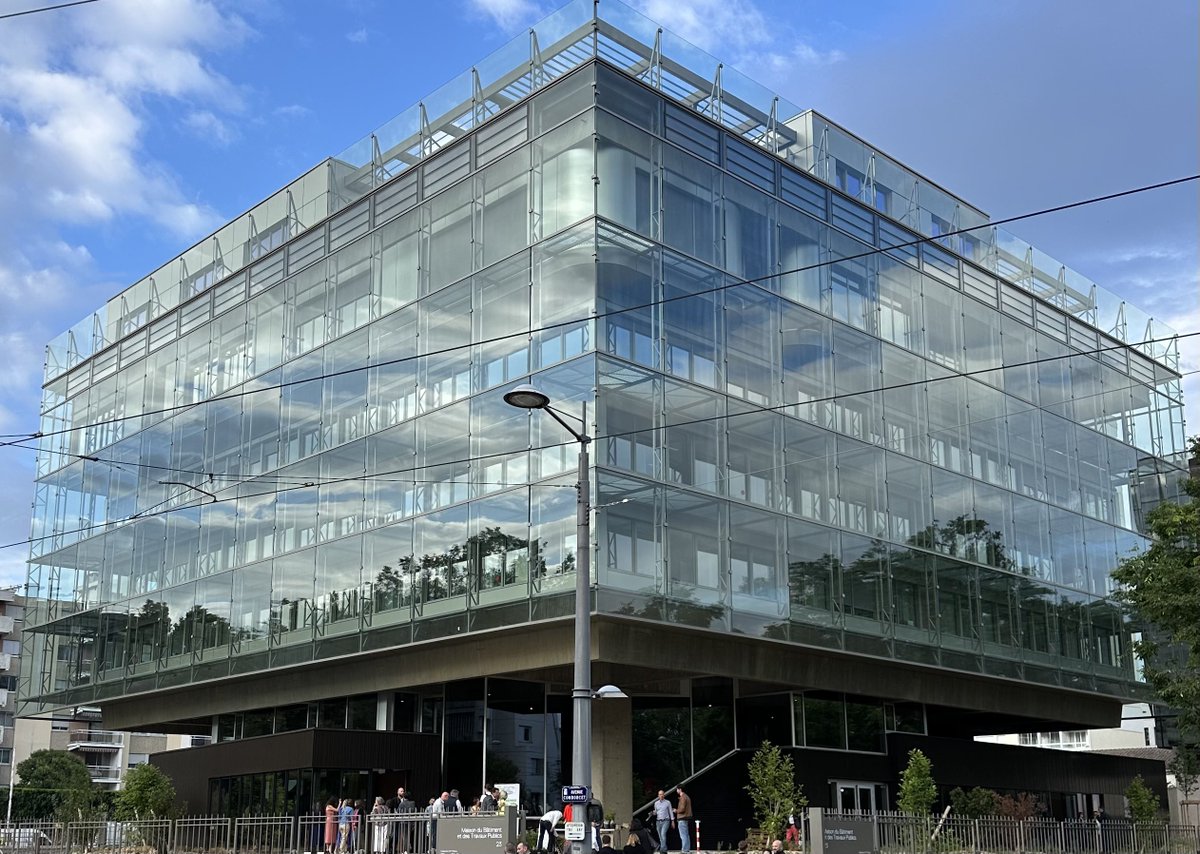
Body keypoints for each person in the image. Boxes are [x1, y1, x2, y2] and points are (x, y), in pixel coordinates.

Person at [674, 787, 693, 854]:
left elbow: (682, 809)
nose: (676, 791)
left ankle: (684, 850)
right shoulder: (687, 797)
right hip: (686, 819)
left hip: (682, 819)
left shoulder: (682, 797)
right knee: (686, 835)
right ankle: (687, 850)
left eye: (677, 789)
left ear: (680, 789)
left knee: (683, 835)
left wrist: (675, 810)